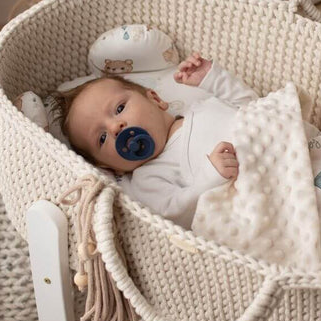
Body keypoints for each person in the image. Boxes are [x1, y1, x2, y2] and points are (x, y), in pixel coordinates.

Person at [61, 52, 257, 228]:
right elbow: (175, 215)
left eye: (119, 109)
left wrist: (213, 78)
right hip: (254, 192)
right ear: (112, 167)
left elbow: (254, 106)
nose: (114, 128)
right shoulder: (148, 177)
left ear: (155, 99)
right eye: (102, 138)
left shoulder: (203, 106)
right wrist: (210, 176)